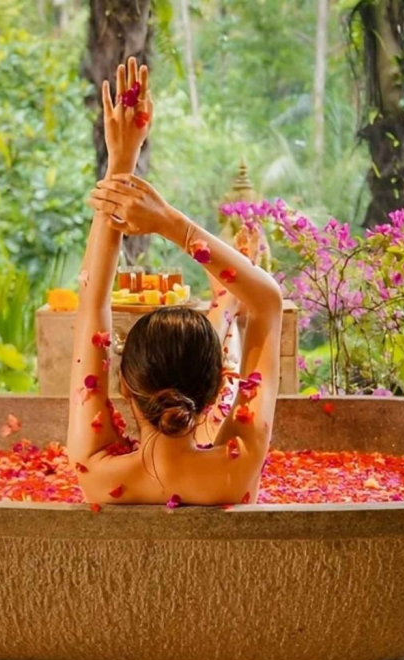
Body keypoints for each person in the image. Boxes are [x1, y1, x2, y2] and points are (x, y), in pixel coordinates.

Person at [66, 58, 283, 506]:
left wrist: (120, 163)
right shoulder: (236, 466)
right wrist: (170, 224)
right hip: (204, 439)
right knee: (229, 320)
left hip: (150, 453)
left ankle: (222, 310)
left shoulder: (94, 469)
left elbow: (92, 303)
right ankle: (223, 310)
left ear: (125, 385)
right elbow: (268, 303)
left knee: (225, 319)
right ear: (218, 387)